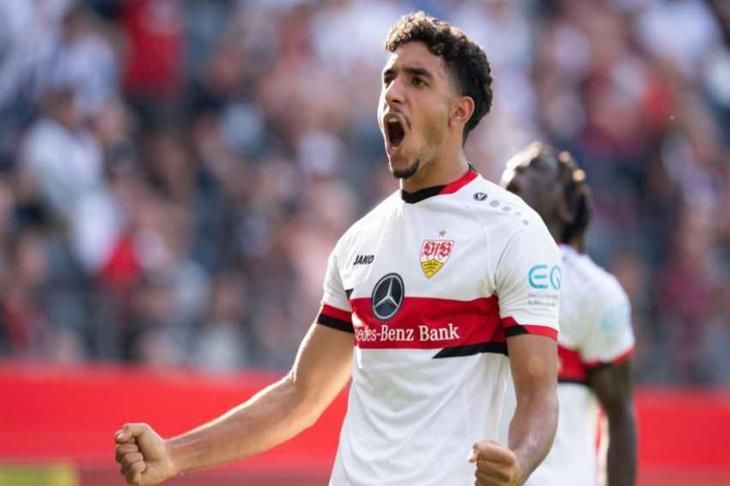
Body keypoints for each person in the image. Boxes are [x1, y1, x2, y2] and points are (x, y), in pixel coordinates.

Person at [115, 12, 562, 486]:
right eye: (389, 79)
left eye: (417, 80)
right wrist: (174, 454)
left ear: (459, 111)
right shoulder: (359, 242)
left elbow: (539, 395)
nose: (394, 93)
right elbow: (299, 396)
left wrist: (519, 461)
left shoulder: (511, 231)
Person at [500, 142, 637, 486]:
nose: (517, 171)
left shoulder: (594, 292)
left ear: (564, 204)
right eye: (512, 167)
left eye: (536, 168)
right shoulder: (471, 271)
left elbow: (620, 417)